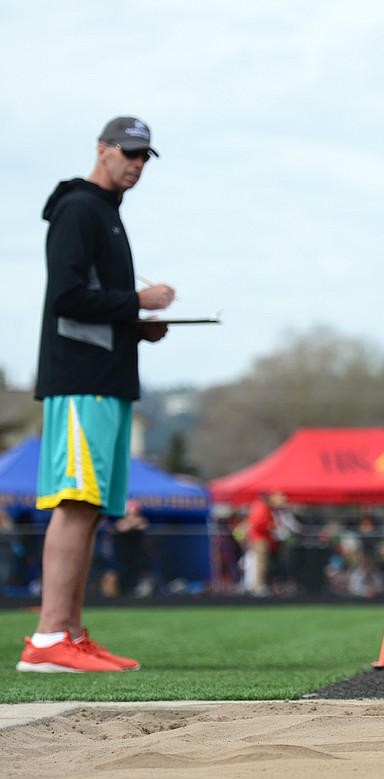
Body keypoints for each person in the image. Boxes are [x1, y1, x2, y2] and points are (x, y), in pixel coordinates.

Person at [18, 117, 174, 674]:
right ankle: (47, 639)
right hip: (79, 383)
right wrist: (137, 302)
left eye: (144, 156)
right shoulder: (79, 208)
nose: (135, 163)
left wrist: (138, 326)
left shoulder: (105, 213)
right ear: (102, 150)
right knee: (75, 503)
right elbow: (66, 298)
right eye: (128, 152)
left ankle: (72, 636)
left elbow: (92, 303)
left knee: (91, 510)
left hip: (105, 382)